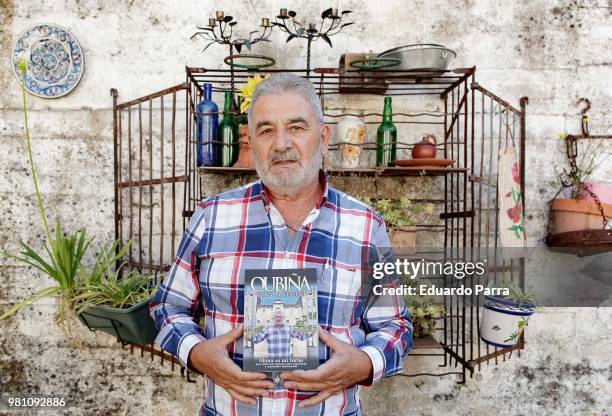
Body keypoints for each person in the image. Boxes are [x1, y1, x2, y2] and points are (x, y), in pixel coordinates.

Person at [150, 73, 413, 415]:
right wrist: (197, 353)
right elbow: (167, 307)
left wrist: (364, 363)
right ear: (251, 140)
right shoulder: (211, 217)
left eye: (296, 127)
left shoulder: (364, 226)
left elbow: (395, 325)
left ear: (323, 137)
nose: (281, 143)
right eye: (266, 130)